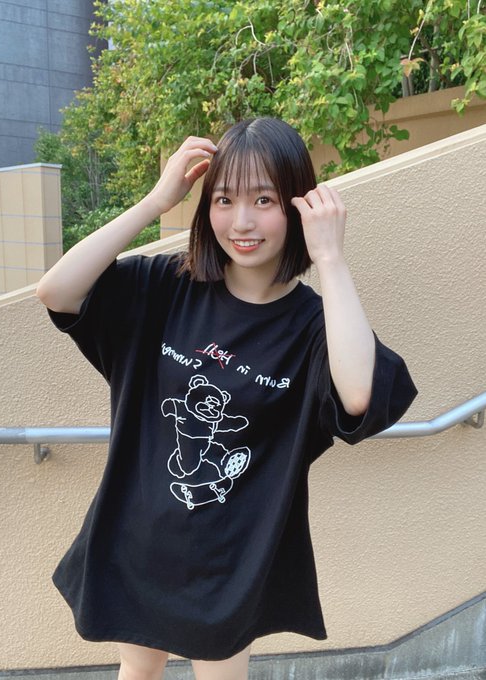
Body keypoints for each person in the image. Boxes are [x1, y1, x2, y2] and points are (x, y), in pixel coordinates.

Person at [36, 117, 417, 680]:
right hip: (136, 541)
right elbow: (57, 291)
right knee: (137, 672)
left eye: (263, 200)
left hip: (230, 566)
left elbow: (359, 395)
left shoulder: (314, 327)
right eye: (224, 199)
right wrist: (155, 202)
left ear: (297, 204)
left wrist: (331, 259)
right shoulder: (167, 286)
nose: (241, 222)